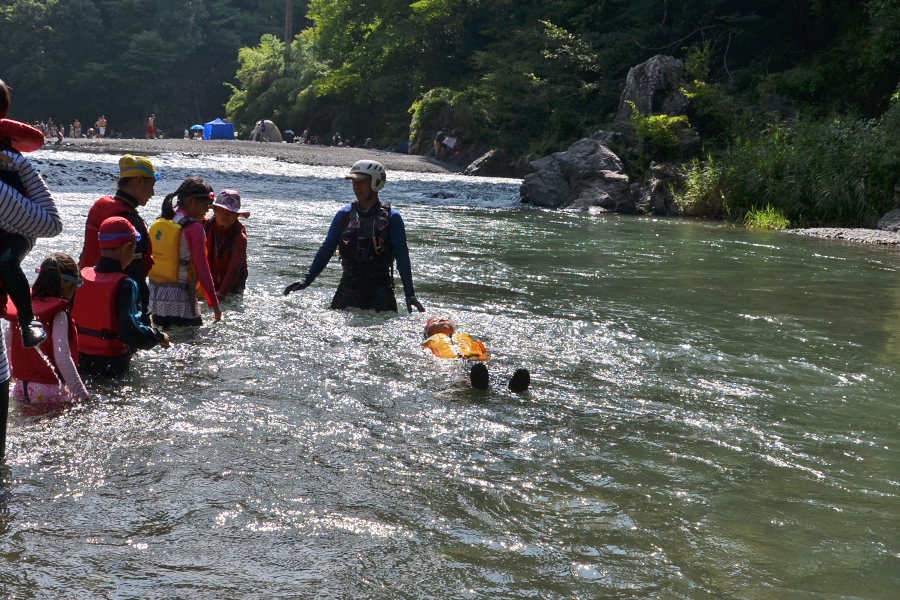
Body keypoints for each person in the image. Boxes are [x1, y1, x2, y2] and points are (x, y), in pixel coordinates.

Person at [283, 160, 425, 313]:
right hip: (347, 290)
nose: (356, 187)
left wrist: (409, 294)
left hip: (381, 293)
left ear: (376, 183)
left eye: (361, 182)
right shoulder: (343, 215)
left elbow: (402, 257)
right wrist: (307, 279)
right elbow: (327, 249)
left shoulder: (392, 218)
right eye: (353, 182)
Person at [0, 78, 65, 348]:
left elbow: (48, 217)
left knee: (5, 260)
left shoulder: (12, 155)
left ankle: (28, 321)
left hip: (19, 231)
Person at [73, 217, 170, 376]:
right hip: (111, 365)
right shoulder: (125, 285)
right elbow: (130, 332)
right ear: (126, 247)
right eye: (134, 248)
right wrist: (158, 336)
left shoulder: (81, 275)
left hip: (79, 362)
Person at [80, 154, 158, 325]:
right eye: (151, 185)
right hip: (120, 305)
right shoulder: (129, 222)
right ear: (138, 181)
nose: (152, 193)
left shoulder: (102, 209)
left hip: (92, 295)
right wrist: (144, 314)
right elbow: (135, 272)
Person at [3, 253, 89, 403]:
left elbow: (8, 341)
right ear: (67, 285)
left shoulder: (21, 307)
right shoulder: (58, 314)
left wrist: (9, 375)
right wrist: (82, 395)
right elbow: (62, 358)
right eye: (75, 286)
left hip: (20, 387)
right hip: (48, 391)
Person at [147, 177, 221, 326]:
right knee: (192, 343)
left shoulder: (164, 219)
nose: (207, 210)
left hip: (155, 294)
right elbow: (203, 269)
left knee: (164, 341)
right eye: (206, 205)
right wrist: (214, 304)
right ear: (191, 202)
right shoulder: (194, 227)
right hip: (180, 296)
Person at [422, 317, 530, 392]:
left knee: (491, 370)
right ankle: (475, 385)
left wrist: (509, 351)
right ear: (427, 334)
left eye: (446, 320)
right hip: (453, 363)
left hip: (476, 362)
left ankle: (513, 385)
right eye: (435, 321)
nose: (442, 320)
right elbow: (427, 357)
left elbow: (487, 349)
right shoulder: (430, 344)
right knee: (460, 376)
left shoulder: (465, 341)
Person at [204, 189, 249, 298]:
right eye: (222, 210)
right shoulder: (203, 226)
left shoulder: (240, 238)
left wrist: (220, 295)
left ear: (237, 215)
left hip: (232, 290)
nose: (226, 215)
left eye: (230, 212)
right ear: (214, 211)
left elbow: (234, 270)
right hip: (207, 285)